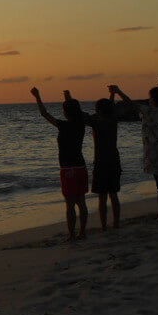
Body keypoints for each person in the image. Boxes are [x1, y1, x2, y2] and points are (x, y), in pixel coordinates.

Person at [110, 78, 158, 219]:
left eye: (150, 97)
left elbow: (130, 103)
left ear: (154, 99)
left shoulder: (148, 111)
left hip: (155, 154)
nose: (149, 99)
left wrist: (117, 91)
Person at [31, 87, 88, 240]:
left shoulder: (64, 125)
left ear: (65, 112)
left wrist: (37, 96)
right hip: (81, 167)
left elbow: (44, 114)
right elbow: (75, 109)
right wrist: (68, 97)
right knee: (81, 202)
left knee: (70, 204)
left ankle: (71, 234)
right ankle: (82, 232)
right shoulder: (81, 124)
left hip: (68, 168)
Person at [65, 89, 121, 230]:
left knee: (102, 197)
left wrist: (68, 98)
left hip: (101, 163)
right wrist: (112, 95)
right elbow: (111, 107)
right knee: (113, 195)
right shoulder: (113, 119)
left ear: (98, 110)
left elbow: (78, 114)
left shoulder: (96, 122)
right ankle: (116, 224)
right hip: (114, 160)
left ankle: (103, 226)